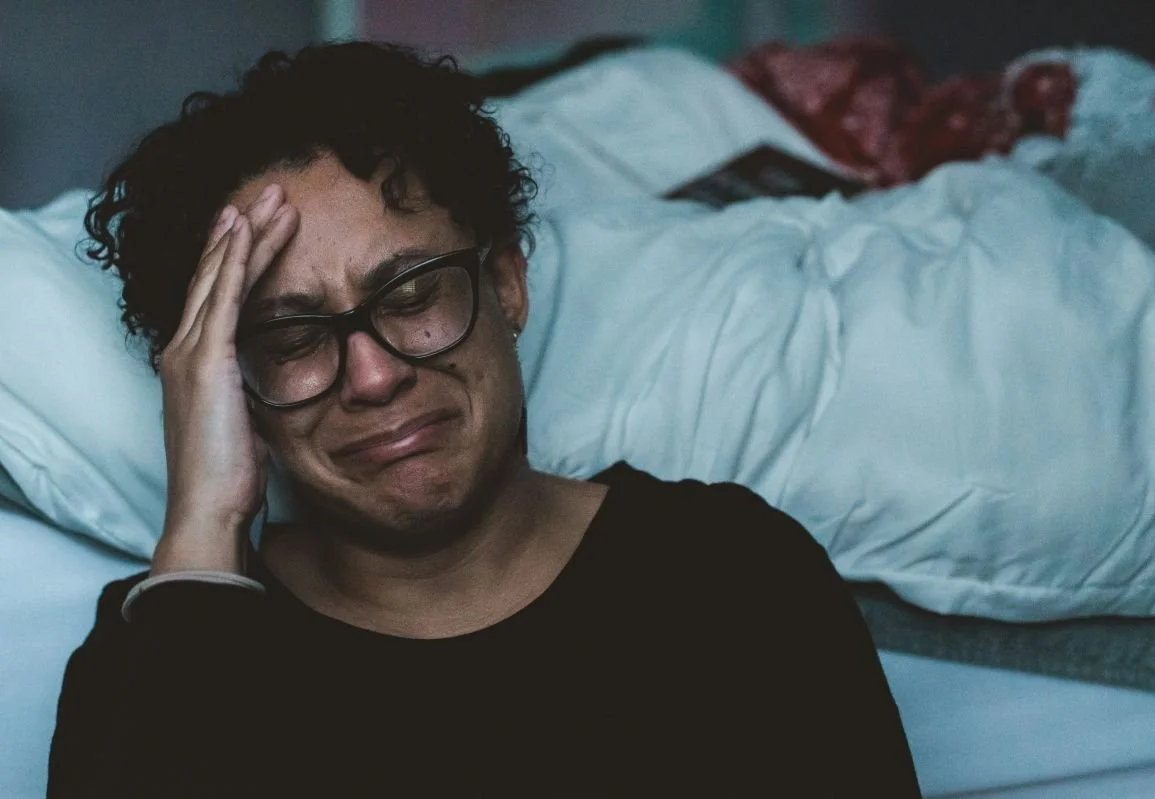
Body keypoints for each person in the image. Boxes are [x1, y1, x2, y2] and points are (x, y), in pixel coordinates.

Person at [47, 42, 921, 797]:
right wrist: (204, 527)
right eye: (292, 336)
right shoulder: (156, 648)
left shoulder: (733, 576)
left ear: (506, 282)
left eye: (414, 292)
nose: (376, 374)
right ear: (229, 382)